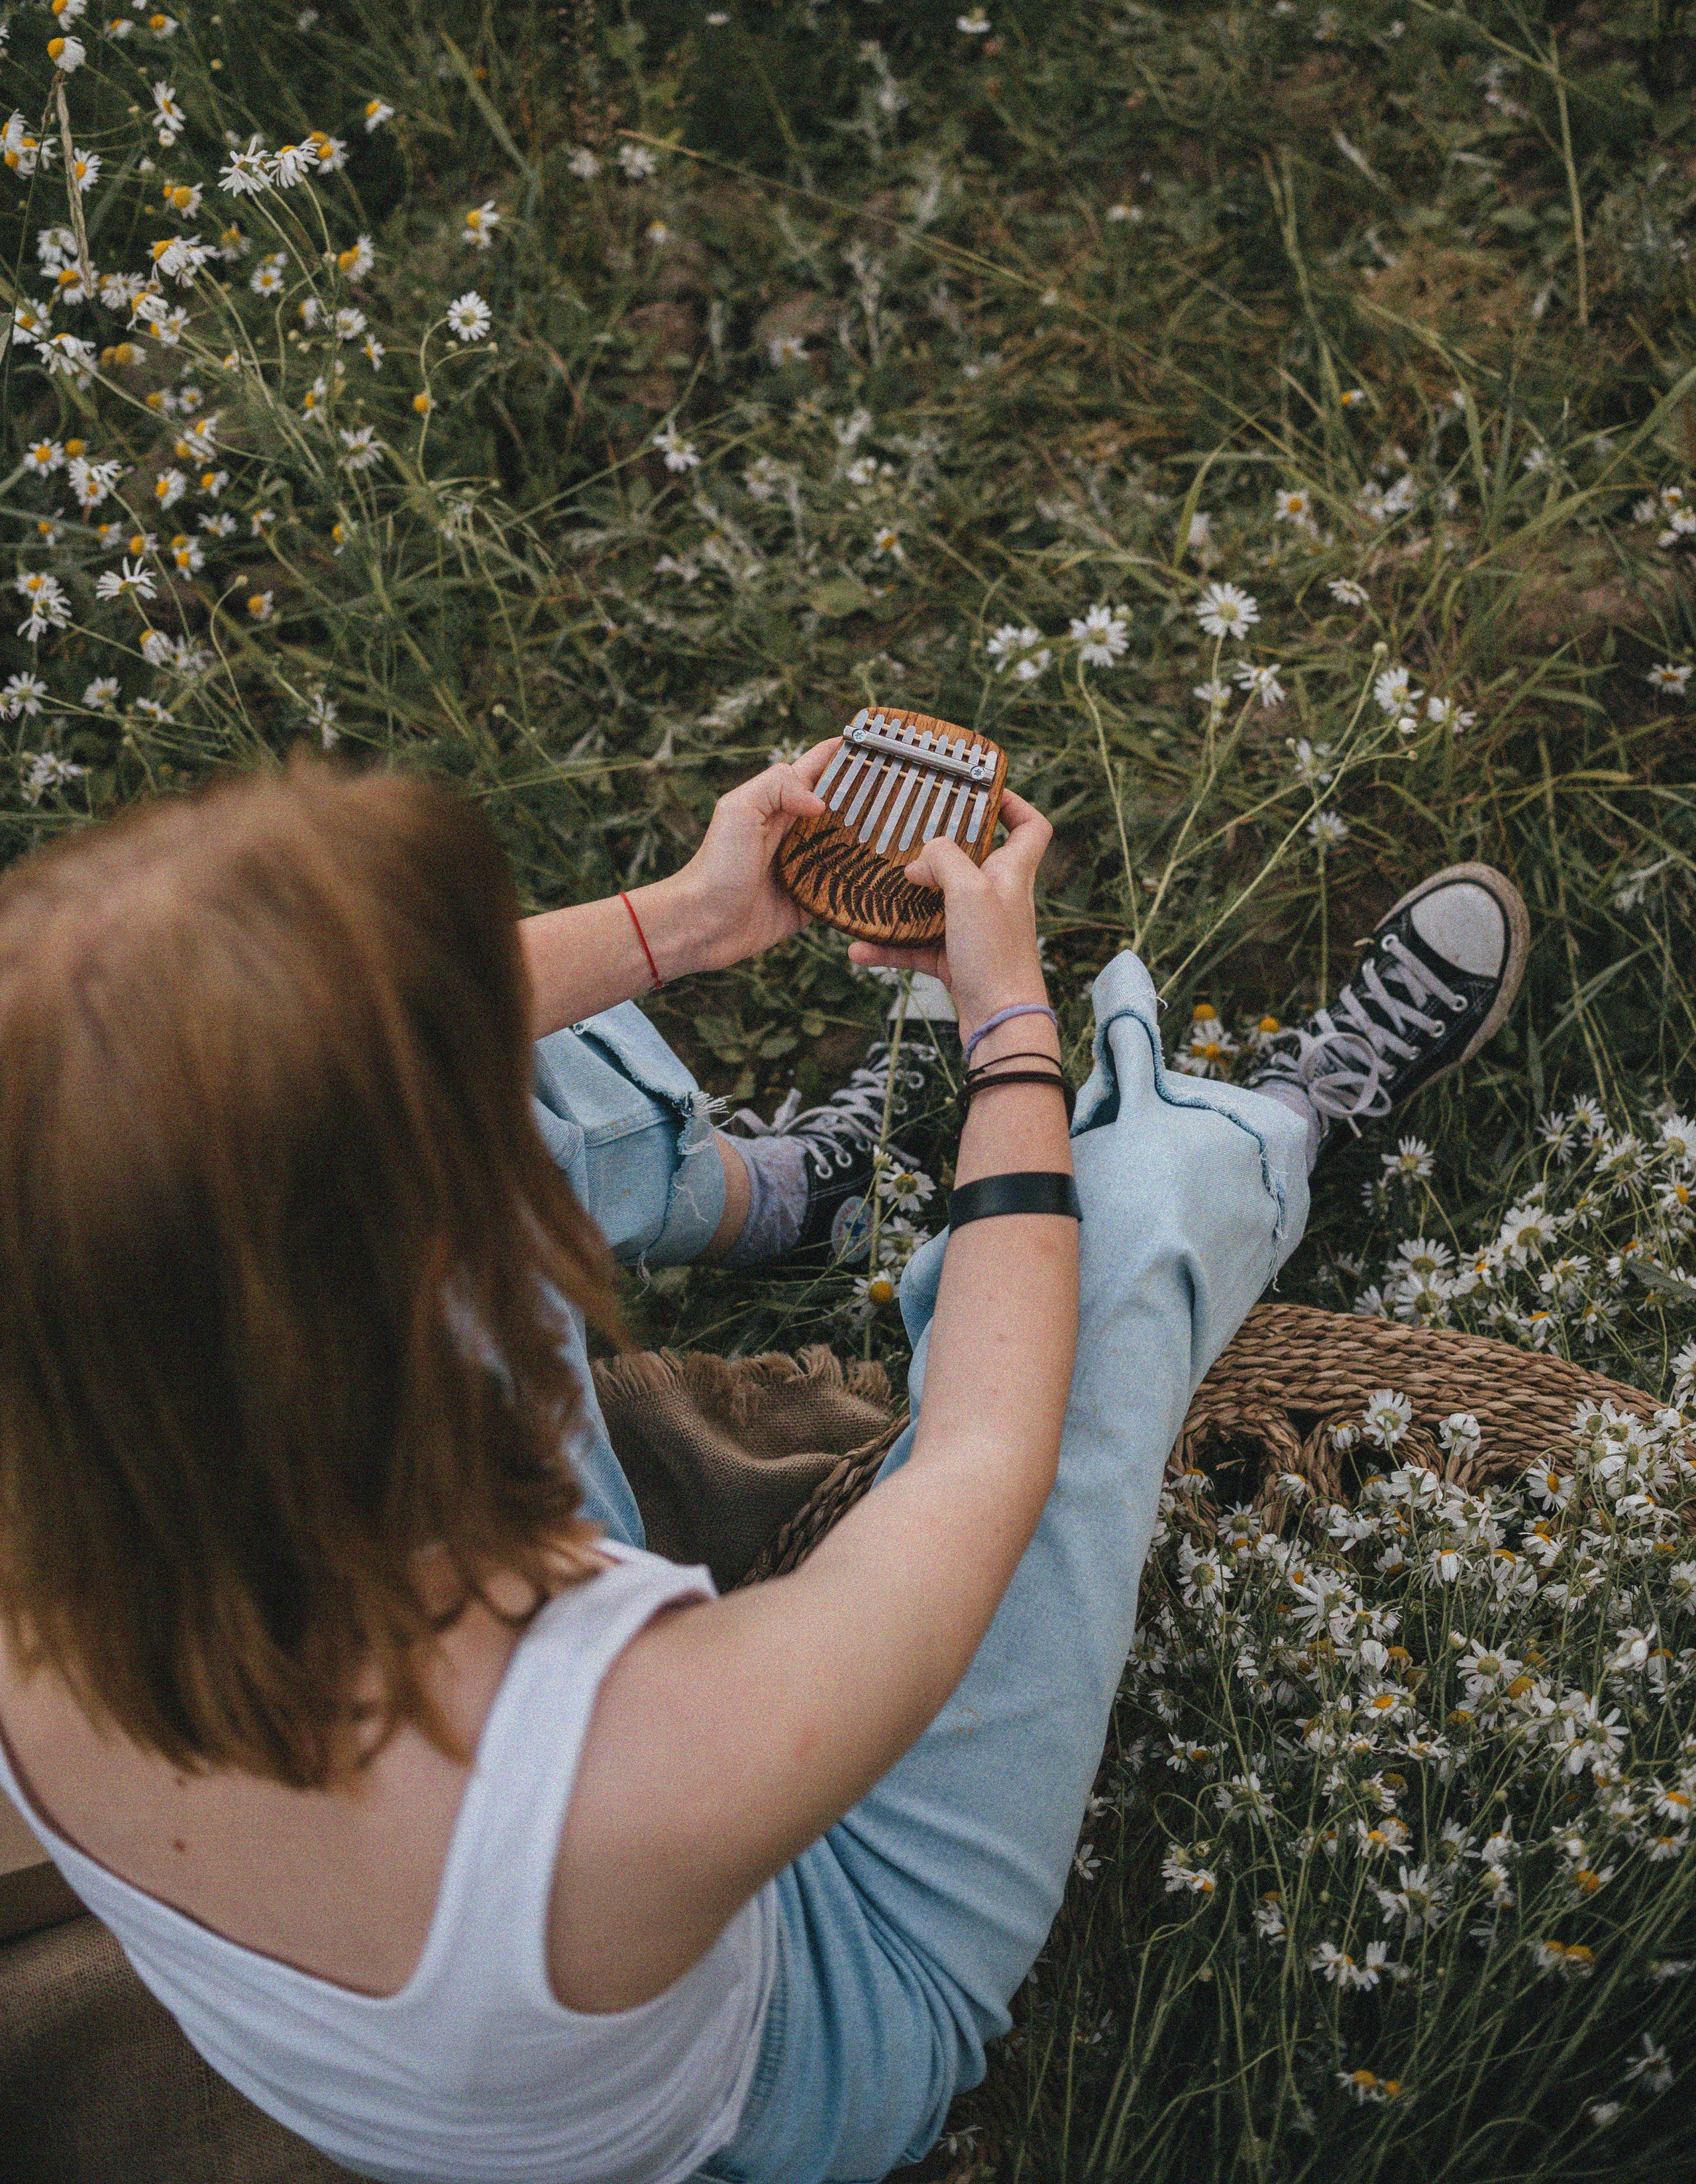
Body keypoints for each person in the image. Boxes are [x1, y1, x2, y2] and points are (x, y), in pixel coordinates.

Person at [0, 745, 1528, 2184]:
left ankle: (772, 1193)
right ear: (396, 1303)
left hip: (412, 1760)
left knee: (442, 1081)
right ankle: (1263, 1132)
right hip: (823, 2003)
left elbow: (353, 1054)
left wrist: (690, 919)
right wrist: (1010, 1036)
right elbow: (981, 1456)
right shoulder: (630, 1756)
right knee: (1099, 1287)